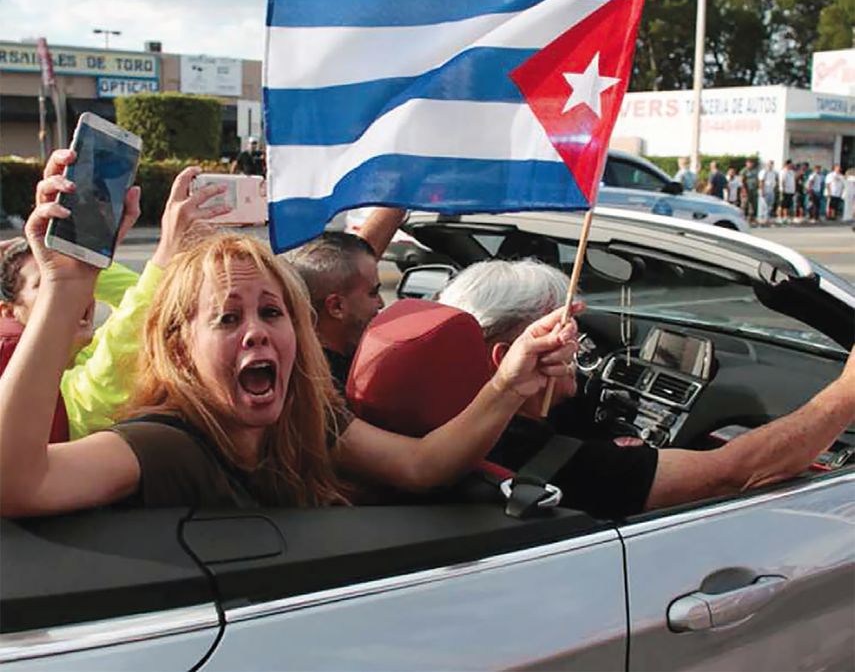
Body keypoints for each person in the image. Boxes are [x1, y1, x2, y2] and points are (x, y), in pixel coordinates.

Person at [0, 196, 577, 515]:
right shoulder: (164, 443)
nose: (256, 333)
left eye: (272, 313)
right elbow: (19, 484)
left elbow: (421, 466)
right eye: (228, 317)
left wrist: (508, 383)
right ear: (179, 347)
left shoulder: (303, 416)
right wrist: (64, 289)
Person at [438, 259, 855, 519]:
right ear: (506, 358)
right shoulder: (550, 461)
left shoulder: (436, 421)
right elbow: (733, 473)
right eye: (561, 335)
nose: (578, 351)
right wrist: (846, 393)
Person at [0, 149, 230, 440]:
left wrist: (80, 249)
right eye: (43, 283)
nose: (80, 295)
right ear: (8, 312)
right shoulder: (26, 381)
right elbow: (104, 382)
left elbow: (141, 305)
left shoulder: (87, 350)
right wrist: (166, 251)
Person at [286, 208, 406, 389]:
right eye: (373, 293)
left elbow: (349, 268)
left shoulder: (301, 360)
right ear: (336, 307)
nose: (381, 304)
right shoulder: (320, 389)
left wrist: (400, 194)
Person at [740, 158, 760, 223]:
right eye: (749, 163)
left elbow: (757, 180)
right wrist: (744, 190)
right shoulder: (744, 171)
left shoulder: (755, 171)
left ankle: (752, 218)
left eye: (751, 163)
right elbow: (742, 181)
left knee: (754, 204)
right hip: (746, 190)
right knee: (745, 204)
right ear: (746, 163)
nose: (750, 164)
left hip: (754, 190)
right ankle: (743, 217)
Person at [758, 160, 777, 224]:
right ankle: (761, 218)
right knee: (764, 205)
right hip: (765, 190)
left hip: (771, 190)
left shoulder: (773, 172)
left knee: (770, 205)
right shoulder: (763, 172)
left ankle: (767, 218)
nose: (771, 165)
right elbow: (761, 182)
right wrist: (762, 191)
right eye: (769, 164)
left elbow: (774, 181)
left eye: (772, 164)